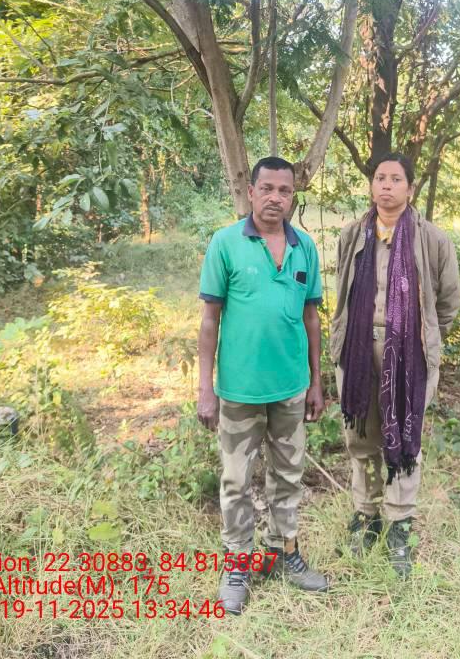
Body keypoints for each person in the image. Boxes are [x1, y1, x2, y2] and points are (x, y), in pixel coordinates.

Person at [197, 156, 329, 614]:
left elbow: (312, 317)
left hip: (291, 387)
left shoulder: (304, 247)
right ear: (251, 192)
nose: (276, 197)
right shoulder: (226, 243)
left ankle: (282, 554)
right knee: (237, 480)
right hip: (239, 389)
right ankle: (237, 564)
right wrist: (205, 388)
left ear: (293, 197)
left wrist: (316, 382)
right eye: (267, 188)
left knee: (288, 476)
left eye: (284, 190)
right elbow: (209, 320)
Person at [331, 152, 460, 576]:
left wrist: (417, 339)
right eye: (380, 178)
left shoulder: (433, 240)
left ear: (410, 187)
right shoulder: (353, 235)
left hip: (408, 355)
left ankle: (400, 522)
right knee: (361, 436)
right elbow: (342, 296)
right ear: (372, 186)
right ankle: (366, 514)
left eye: (396, 179)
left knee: (405, 436)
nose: (386, 185)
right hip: (357, 351)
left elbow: (448, 302)